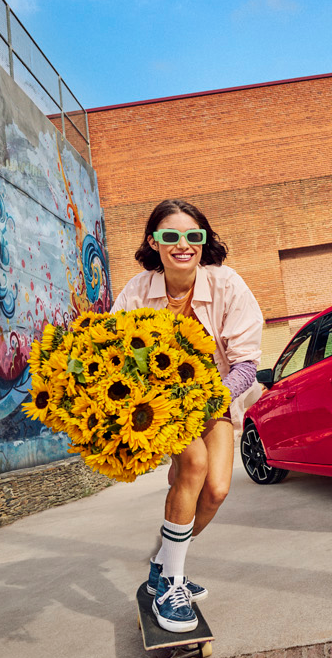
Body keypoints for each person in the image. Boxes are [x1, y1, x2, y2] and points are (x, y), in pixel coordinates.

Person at [110, 198, 264, 633]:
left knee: (215, 490)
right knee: (191, 467)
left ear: (204, 241)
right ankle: (171, 587)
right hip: (159, 405)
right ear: (153, 241)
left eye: (193, 236)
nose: (183, 245)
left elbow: (246, 365)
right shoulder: (137, 292)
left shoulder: (227, 285)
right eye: (171, 236)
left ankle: (162, 563)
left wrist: (209, 401)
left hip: (214, 398)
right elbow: (114, 354)